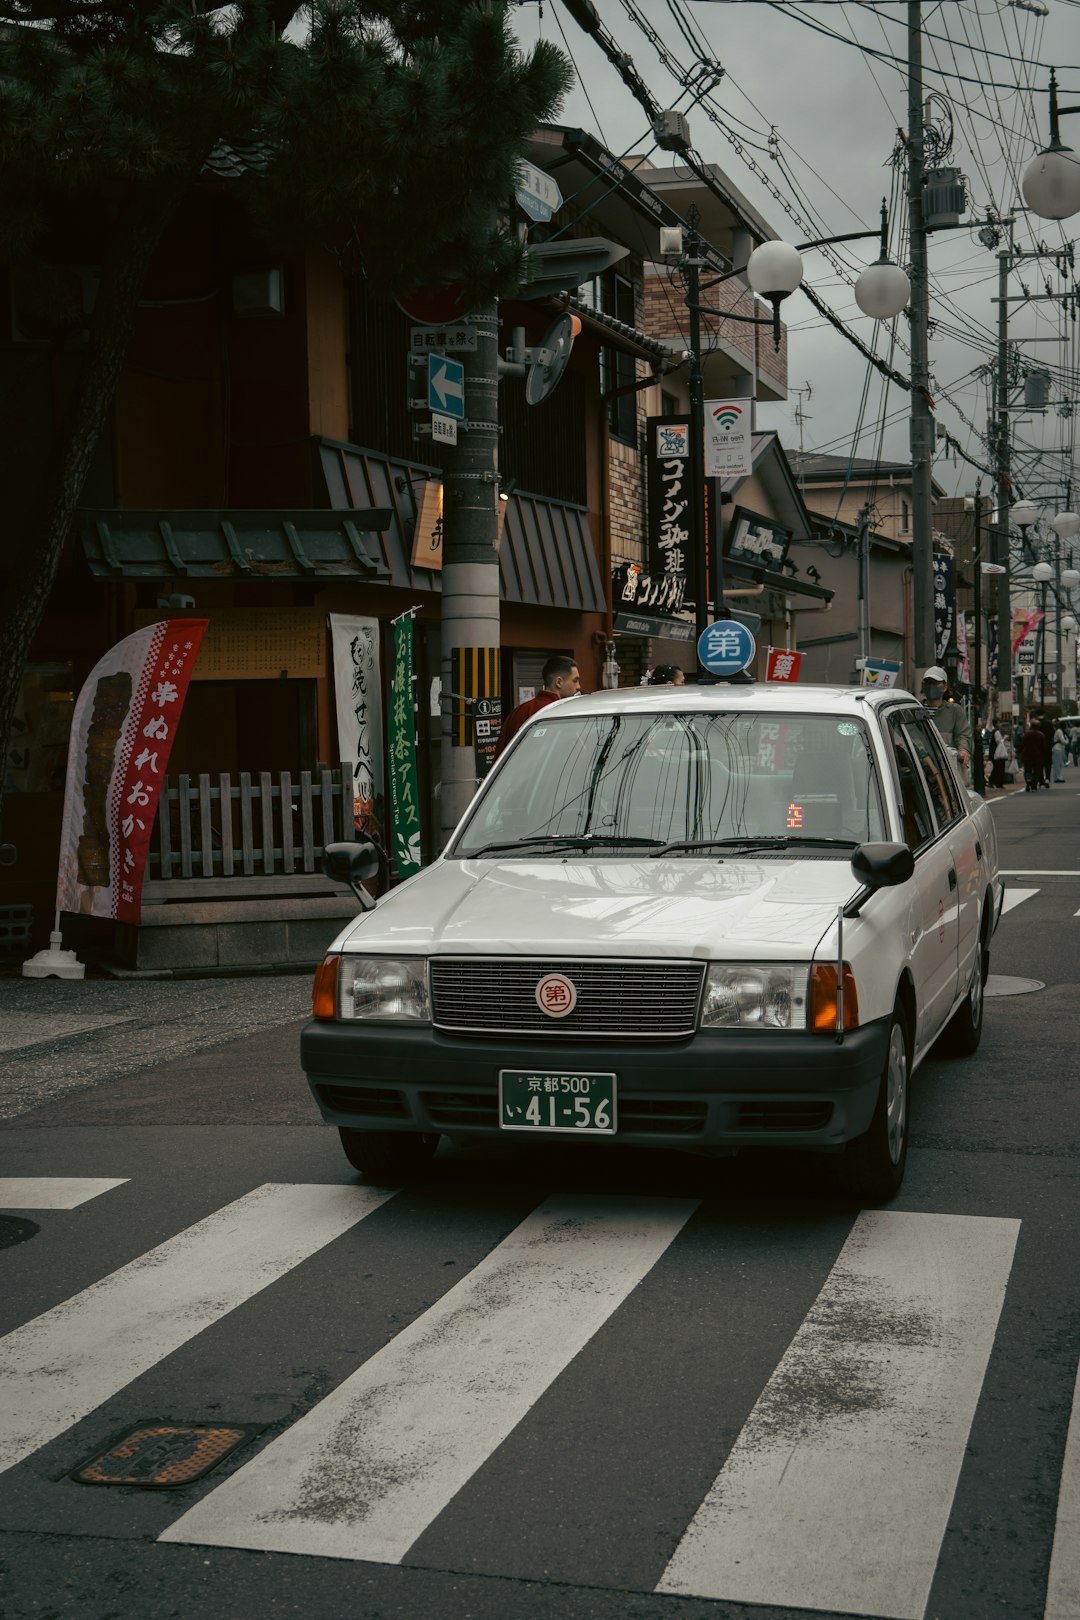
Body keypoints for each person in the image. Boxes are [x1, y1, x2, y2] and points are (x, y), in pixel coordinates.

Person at [494, 654, 581, 759]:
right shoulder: (558, 714)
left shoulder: (518, 711)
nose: (578, 687)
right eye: (575, 680)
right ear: (559, 682)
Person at [921, 666, 972, 778]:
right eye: (928, 683)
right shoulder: (915, 710)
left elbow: (963, 735)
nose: (931, 686)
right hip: (920, 770)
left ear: (945, 687)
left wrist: (963, 750)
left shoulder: (954, 711)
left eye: (936, 683)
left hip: (948, 770)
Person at [1019, 717, 1048, 791]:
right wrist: (1045, 756)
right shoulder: (1041, 735)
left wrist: (1020, 752)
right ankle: (1034, 785)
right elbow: (1043, 747)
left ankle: (1028, 781)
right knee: (1036, 771)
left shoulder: (1026, 734)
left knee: (1027, 769)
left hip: (1027, 754)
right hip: (1038, 755)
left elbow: (1022, 744)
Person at [990, 722, 1009, 790]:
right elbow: (999, 742)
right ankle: (998, 783)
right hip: (998, 754)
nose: (1000, 724)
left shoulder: (995, 732)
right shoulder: (997, 732)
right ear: (996, 724)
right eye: (999, 723)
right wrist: (1004, 738)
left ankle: (993, 782)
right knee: (999, 769)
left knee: (997, 768)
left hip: (997, 754)